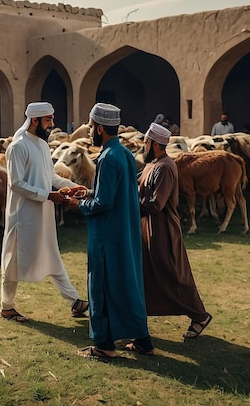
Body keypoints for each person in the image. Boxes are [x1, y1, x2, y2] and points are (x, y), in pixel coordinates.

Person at [67, 103, 154, 358]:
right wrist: (87, 192)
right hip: (125, 232)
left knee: (102, 286)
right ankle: (142, 341)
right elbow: (115, 192)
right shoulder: (125, 154)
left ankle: (104, 346)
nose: (90, 131)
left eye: (92, 127)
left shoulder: (106, 157)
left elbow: (104, 203)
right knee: (128, 285)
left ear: (101, 128)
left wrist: (77, 203)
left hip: (106, 234)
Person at [0, 102, 89, 323]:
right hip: (22, 215)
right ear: (35, 120)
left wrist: (71, 186)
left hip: (43, 211)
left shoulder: (41, 145)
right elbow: (17, 184)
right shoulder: (18, 147)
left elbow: (51, 178)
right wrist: (48, 195)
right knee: (13, 259)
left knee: (52, 252)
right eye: (48, 120)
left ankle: (75, 302)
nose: (52, 124)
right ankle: (7, 307)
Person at [138, 122, 212, 339]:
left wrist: (128, 204)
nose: (143, 144)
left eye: (146, 141)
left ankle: (199, 315)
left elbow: (156, 204)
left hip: (162, 230)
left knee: (173, 275)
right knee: (149, 274)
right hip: (148, 228)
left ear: (154, 143)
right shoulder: (152, 164)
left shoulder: (165, 167)